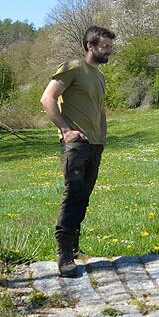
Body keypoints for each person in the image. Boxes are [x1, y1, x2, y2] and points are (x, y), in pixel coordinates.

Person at [40, 25, 115, 277]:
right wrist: (65, 130)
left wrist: (102, 137)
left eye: (110, 47)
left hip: (94, 145)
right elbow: (47, 99)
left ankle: (73, 249)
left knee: (83, 197)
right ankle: (63, 254)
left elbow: (100, 109)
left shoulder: (100, 76)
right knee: (74, 194)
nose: (109, 51)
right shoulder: (72, 68)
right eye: (105, 47)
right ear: (90, 47)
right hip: (76, 144)